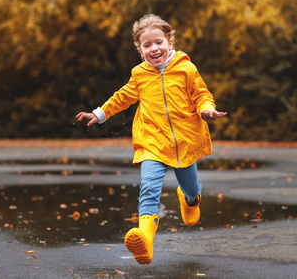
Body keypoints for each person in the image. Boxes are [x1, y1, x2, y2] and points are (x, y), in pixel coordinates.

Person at [76, 14, 227, 264]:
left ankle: (190, 199)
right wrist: (99, 113)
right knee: (148, 187)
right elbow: (122, 97)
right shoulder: (140, 74)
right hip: (152, 143)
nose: (154, 48)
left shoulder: (186, 69)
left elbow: (201, 93)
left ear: (169, 41)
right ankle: (144, 238)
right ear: (140, 49)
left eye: (158, 42)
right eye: (147, 45)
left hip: (185, 142)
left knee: (190, 187)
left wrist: (206, 109)